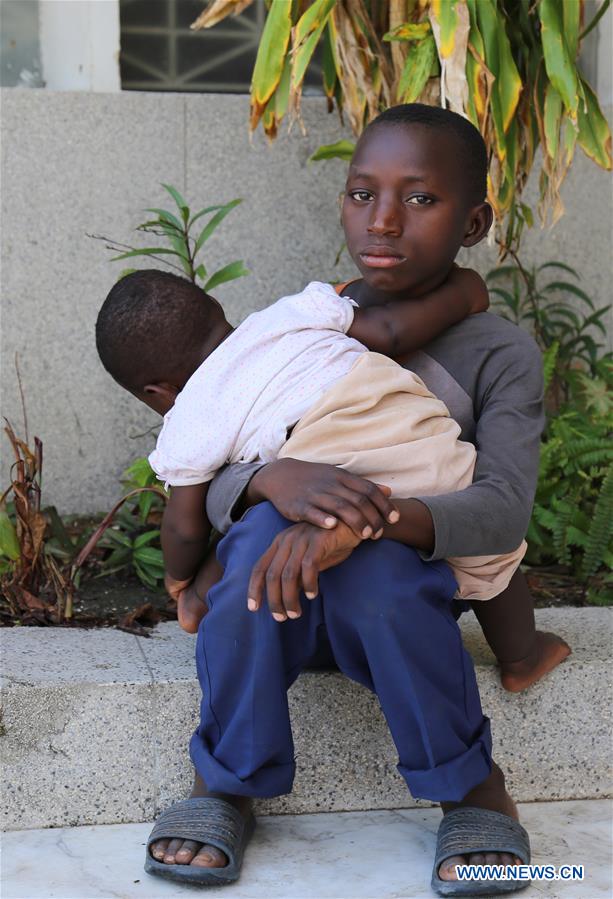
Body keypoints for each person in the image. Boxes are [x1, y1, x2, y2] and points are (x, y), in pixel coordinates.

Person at [97, 104, 569, 895]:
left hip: (398, 610)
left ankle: (471, 787)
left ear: (474, 221)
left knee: (377, 575)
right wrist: (271, 479)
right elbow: (217, 457)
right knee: (249, 548)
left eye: (419, 199)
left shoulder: (499, 355)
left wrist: (363, 521)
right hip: (273, 598)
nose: (381, 220)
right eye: (360, 194)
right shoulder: (305, 323)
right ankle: (226, 780)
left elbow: (498, 512)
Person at [97, 267, 527, 627]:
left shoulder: (187, 420)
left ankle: (196, 603)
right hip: (425, 440)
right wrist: (466, 292)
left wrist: (178, 576)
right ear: (216, 308)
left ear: (158, 392)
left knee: (248, 523)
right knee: (495, 558)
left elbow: (185, 527)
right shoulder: (292, 313)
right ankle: (521, 656)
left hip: (335, 476)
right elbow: (392, 330)